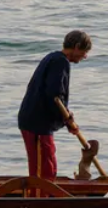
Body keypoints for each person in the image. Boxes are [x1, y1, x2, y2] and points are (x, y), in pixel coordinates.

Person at [16, 30, 92, 184]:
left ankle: (41, 197)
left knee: (46, 166)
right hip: (36, 123)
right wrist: (67, 121)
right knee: (44, 170)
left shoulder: (53, 57)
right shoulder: (60, 62)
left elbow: (56, 98)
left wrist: (68, 120)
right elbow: (55, 96)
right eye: (85, 52)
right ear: (77, 46)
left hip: (34, 120)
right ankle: (39, 202)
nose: (85, 56)